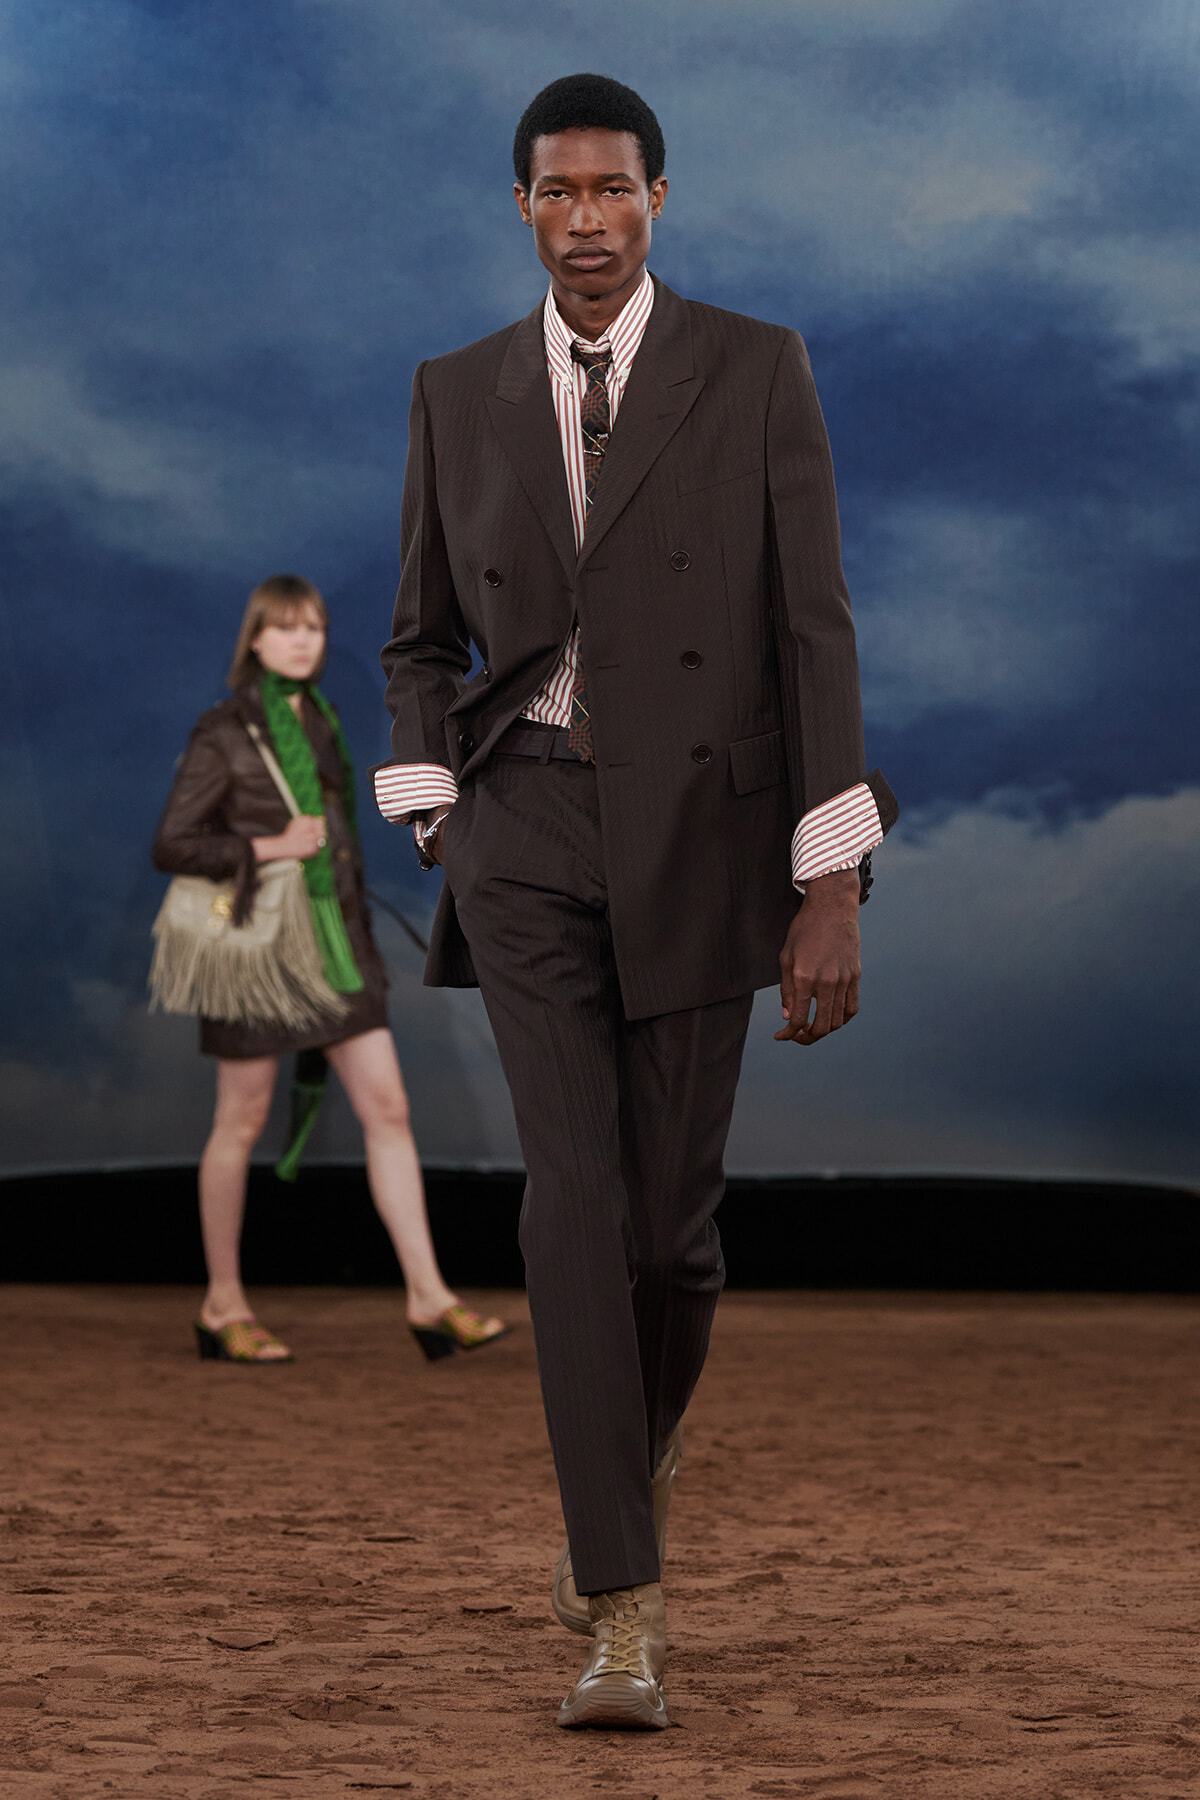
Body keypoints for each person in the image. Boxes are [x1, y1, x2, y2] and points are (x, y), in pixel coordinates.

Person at [373, 75, 897, 1727]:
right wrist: (436, 796)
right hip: (524, 830)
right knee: (571, 1200)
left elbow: (816, 634)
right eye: (555, 194)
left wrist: (832, 884)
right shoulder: (456, 391)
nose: (585, 220)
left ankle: (634, 1454)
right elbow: (416, 639)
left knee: (670, 1235)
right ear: (521, 208)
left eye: (612, 191)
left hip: (704, 841)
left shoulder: (755, 370)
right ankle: (623, 1603)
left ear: (660, 198)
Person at [152, 573, 509, 1364]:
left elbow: (339, 850)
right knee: (238, 1124)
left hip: (337, 950)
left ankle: (429, 1297)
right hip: (257, 956)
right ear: (255, 640)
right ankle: (221, 1304)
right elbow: (173, 844)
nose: (304, 640)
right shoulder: (224, 729)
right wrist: (269, 847)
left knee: (389, 1110)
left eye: (313, 626)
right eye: (285, 628)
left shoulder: (320, 721)